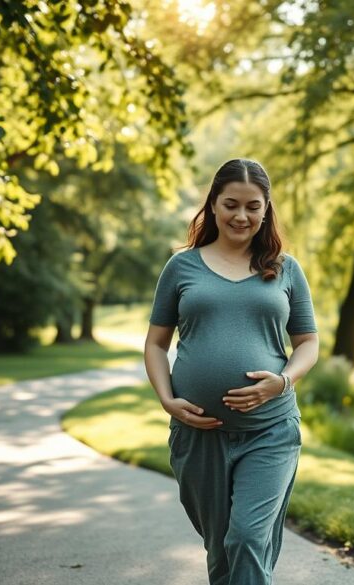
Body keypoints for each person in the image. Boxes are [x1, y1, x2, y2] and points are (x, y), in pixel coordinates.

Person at [143, 158, 320, 585]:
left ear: (266, 209)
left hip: (270, 430)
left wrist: (283, 382)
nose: (242, 216)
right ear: (213, 205)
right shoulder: (182, 267)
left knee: (245, 539)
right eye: (231, 204)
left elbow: (308, 344)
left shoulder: (285, 268)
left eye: (253, 206)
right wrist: (167, 400)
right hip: (199, 433)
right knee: (222, 549)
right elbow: (155, 343)